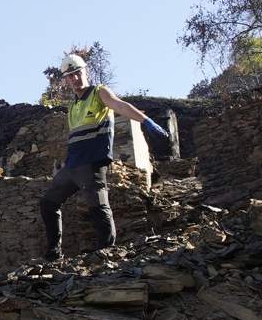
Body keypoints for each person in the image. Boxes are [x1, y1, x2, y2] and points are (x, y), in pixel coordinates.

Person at [40, 52, 172, 261]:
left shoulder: (99, 92)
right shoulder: (73, 106)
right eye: (69, 76)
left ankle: (106, 251)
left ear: (85, 71)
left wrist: (145, 120)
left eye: (77, 73)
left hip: (92, 163)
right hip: (72, 166)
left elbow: (120, 105)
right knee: (48, 203)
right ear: (65, 80)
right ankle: (53, 253)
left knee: (98, 205)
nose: (74, 79)